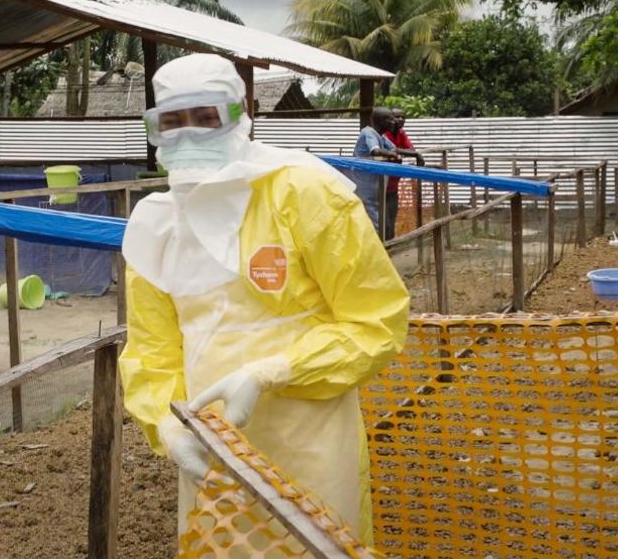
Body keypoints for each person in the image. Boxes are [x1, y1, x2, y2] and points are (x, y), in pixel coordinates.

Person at [120, 53, 409, 545]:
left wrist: (271, 372)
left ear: (240, 113)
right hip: (213, 450)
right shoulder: (156, 225)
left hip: (310, 442)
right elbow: (153, 352)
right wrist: (168, 429)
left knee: (316, 544)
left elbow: (376, 322)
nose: (188, 134)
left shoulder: (306, 193)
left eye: (206, 117)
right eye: (172, 122)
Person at [377, 108, 424, 240]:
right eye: (396, 117)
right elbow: (394, 149)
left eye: (403, 117)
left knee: (391, 217)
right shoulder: (383, 135)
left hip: (393, 184)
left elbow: (410, 148)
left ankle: (389, 246)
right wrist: (413, 154)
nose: (400, 120)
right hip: (380, 185)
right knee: (382, 219)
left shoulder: (401, 134)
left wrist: (411, 152)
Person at [352, 108, 399, 234]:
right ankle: (377, 249)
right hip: (363, 184)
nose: (394, 121)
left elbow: (395, 149)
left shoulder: (380, 136)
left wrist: (416, 154)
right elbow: (375, 151)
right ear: (381, 121)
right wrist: (392, 155)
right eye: (390, 119)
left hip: (373, 185)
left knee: (374, 216)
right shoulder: (368, 132)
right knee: (372, 220)